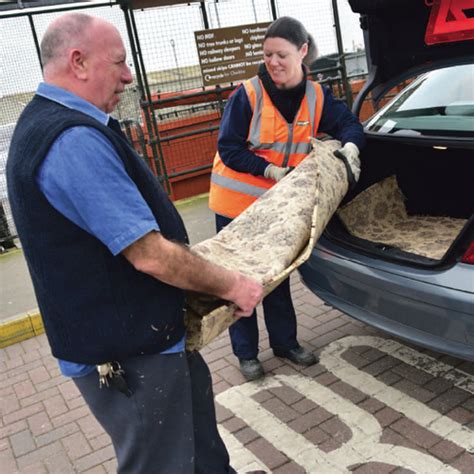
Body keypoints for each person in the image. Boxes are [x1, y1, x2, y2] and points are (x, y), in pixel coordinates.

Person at [7, 13, 263, 474]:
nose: (129, 75)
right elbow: (149, 255)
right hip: (130, 355)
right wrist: (232, 286)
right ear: (78, 61)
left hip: (144, 340)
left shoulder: (54, 123)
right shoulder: (72, 142)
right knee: (162, 464)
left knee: (203, 454)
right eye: (120, 63)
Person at [209, 16, 365, 381]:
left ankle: (285, 343)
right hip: (237, 208)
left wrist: (352, 148)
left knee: (277, 279)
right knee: (239, 283)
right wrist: (269, 171)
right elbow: (228, 148)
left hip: (279, 209)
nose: (273, 63)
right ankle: (246, 354)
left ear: (303, 52)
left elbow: (348, 124)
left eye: (281, 55)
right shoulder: (246, 95)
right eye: (267, 56)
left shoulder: (316, 96)